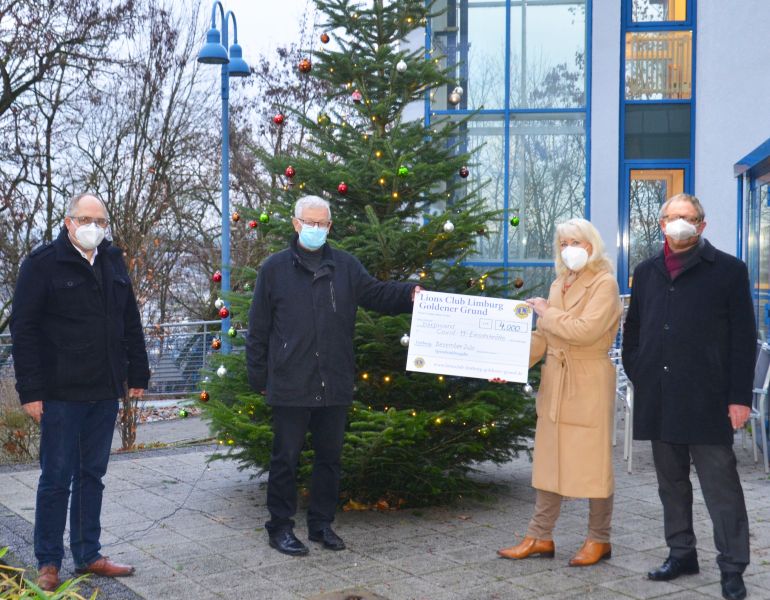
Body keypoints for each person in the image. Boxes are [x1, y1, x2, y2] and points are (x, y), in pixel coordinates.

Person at [246, 195, 420, 556]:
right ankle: (279, 527)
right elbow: (258, 328)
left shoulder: (346, 266)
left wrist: (410, 294)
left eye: (322, 224)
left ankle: (321, 524)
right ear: (296, 224)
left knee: (329, 458)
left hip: (334, 380)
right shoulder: (273, 269)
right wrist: (259, 377)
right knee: (285, 459)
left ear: (329, 227)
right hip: (290, 382)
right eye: (309, 222)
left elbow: (377, 293)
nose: (316, 229)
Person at [9, 193, 150, 592]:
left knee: (93, 475)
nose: (93, 227)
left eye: (100, 221)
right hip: (59, 392)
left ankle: (88, 554)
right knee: (56, 477)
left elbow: (130, 321)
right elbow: (25, 330)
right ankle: (49, 562)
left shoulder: (112, 261)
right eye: (85, 219)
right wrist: (30, 391)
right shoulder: (42, 265)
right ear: (68, 222)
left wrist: (137, 372)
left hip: (104, 389)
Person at [622, 193, 755, 600]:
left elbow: (743, 340)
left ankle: (732, 568)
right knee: (671, 485)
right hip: (660, 397)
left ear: (702, 224)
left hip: (709, 400)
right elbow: (634, 331)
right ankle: (681, 552)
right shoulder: (646, 272)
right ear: (661, 224)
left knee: (722, 490)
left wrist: (738, 398)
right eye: (672, 217)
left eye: (688, 217)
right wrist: (639, 373)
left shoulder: (729, 271)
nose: (679, 223)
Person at [497, 218, 621, 566]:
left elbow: (585, 330)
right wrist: (507, 364)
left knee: (594, 466)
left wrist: (547, 315)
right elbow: (545, 337)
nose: (570, 249)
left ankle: (599, 539)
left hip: (588, 379)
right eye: (564, 242)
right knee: (548, 463)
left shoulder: (605, 284)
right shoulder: (559, 283)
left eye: (577, 242)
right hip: (556, 380)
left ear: (591, 245)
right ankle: (539, 535)